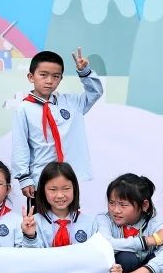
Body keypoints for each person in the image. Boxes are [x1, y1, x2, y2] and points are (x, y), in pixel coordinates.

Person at [13, 48, 103, 198]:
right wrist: (24, 177)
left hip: (69, 178)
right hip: (40, 178)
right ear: (31, 77)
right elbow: (20, 145)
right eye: (43, 75)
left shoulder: (72, 103)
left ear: (61, 78)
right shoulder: (24, 109)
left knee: (69, 213)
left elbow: (95, 92)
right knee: (40, 213)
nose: (49, 81)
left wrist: (85, 72)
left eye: (56, 76)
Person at [30, 162, 97, 248]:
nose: (60, 195)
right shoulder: (35, 222)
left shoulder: (89, 223)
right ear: (43, 191)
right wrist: (30, 237)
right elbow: (30, 254)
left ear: (74, 188)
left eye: (66, 189)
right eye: (53, 189)